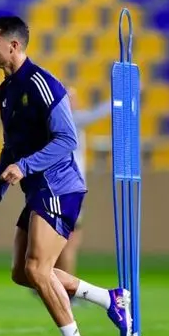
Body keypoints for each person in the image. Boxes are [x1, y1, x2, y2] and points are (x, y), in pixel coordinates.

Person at [0, 16, 132, 336]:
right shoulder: (5, 91)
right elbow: (9, 147)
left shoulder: (42, 84)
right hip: (38, 189)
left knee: (37, 268)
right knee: (22, 272)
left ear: (14, 45)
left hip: (60, 187)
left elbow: (68, 139)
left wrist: (25, 166)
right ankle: (110, 299)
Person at [55, 89, 110, 283]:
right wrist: (121, 97)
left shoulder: (56, 122)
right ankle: (65, 287)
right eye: (72, 98)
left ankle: (51, 281)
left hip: (63, 188)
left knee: (61, 241)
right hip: (71, 190)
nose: (77, 102)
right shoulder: (71, 120)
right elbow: (96, 114)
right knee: (70, 242)